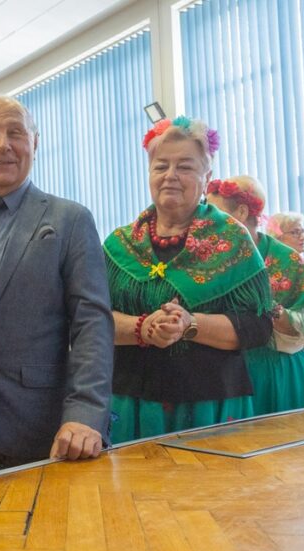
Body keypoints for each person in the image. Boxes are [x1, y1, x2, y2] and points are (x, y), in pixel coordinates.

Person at [0, 96, 113, 476]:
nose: (2, 144)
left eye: (16, 133)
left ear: (35, 144)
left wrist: (86, 413)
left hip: (38, 427)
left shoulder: (70, 219)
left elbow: (92, 324)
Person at [104, 117, 272, 442]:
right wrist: (143, 328)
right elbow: (91, 321)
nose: (170, 176)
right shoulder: (117, 245)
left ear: (206, 176)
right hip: (130, 400)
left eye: (184, 166)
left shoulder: (234, 240)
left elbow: (258, 326)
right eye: (160, 166)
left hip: (212, 404)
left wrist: (190, 325)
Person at [206, 176, 304, 415]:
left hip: (276, 370)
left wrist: (270, 308)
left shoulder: (284, 258)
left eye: (213, 211)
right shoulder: (206, 257)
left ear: (241, 211)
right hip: (224, 370)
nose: (205, 219)